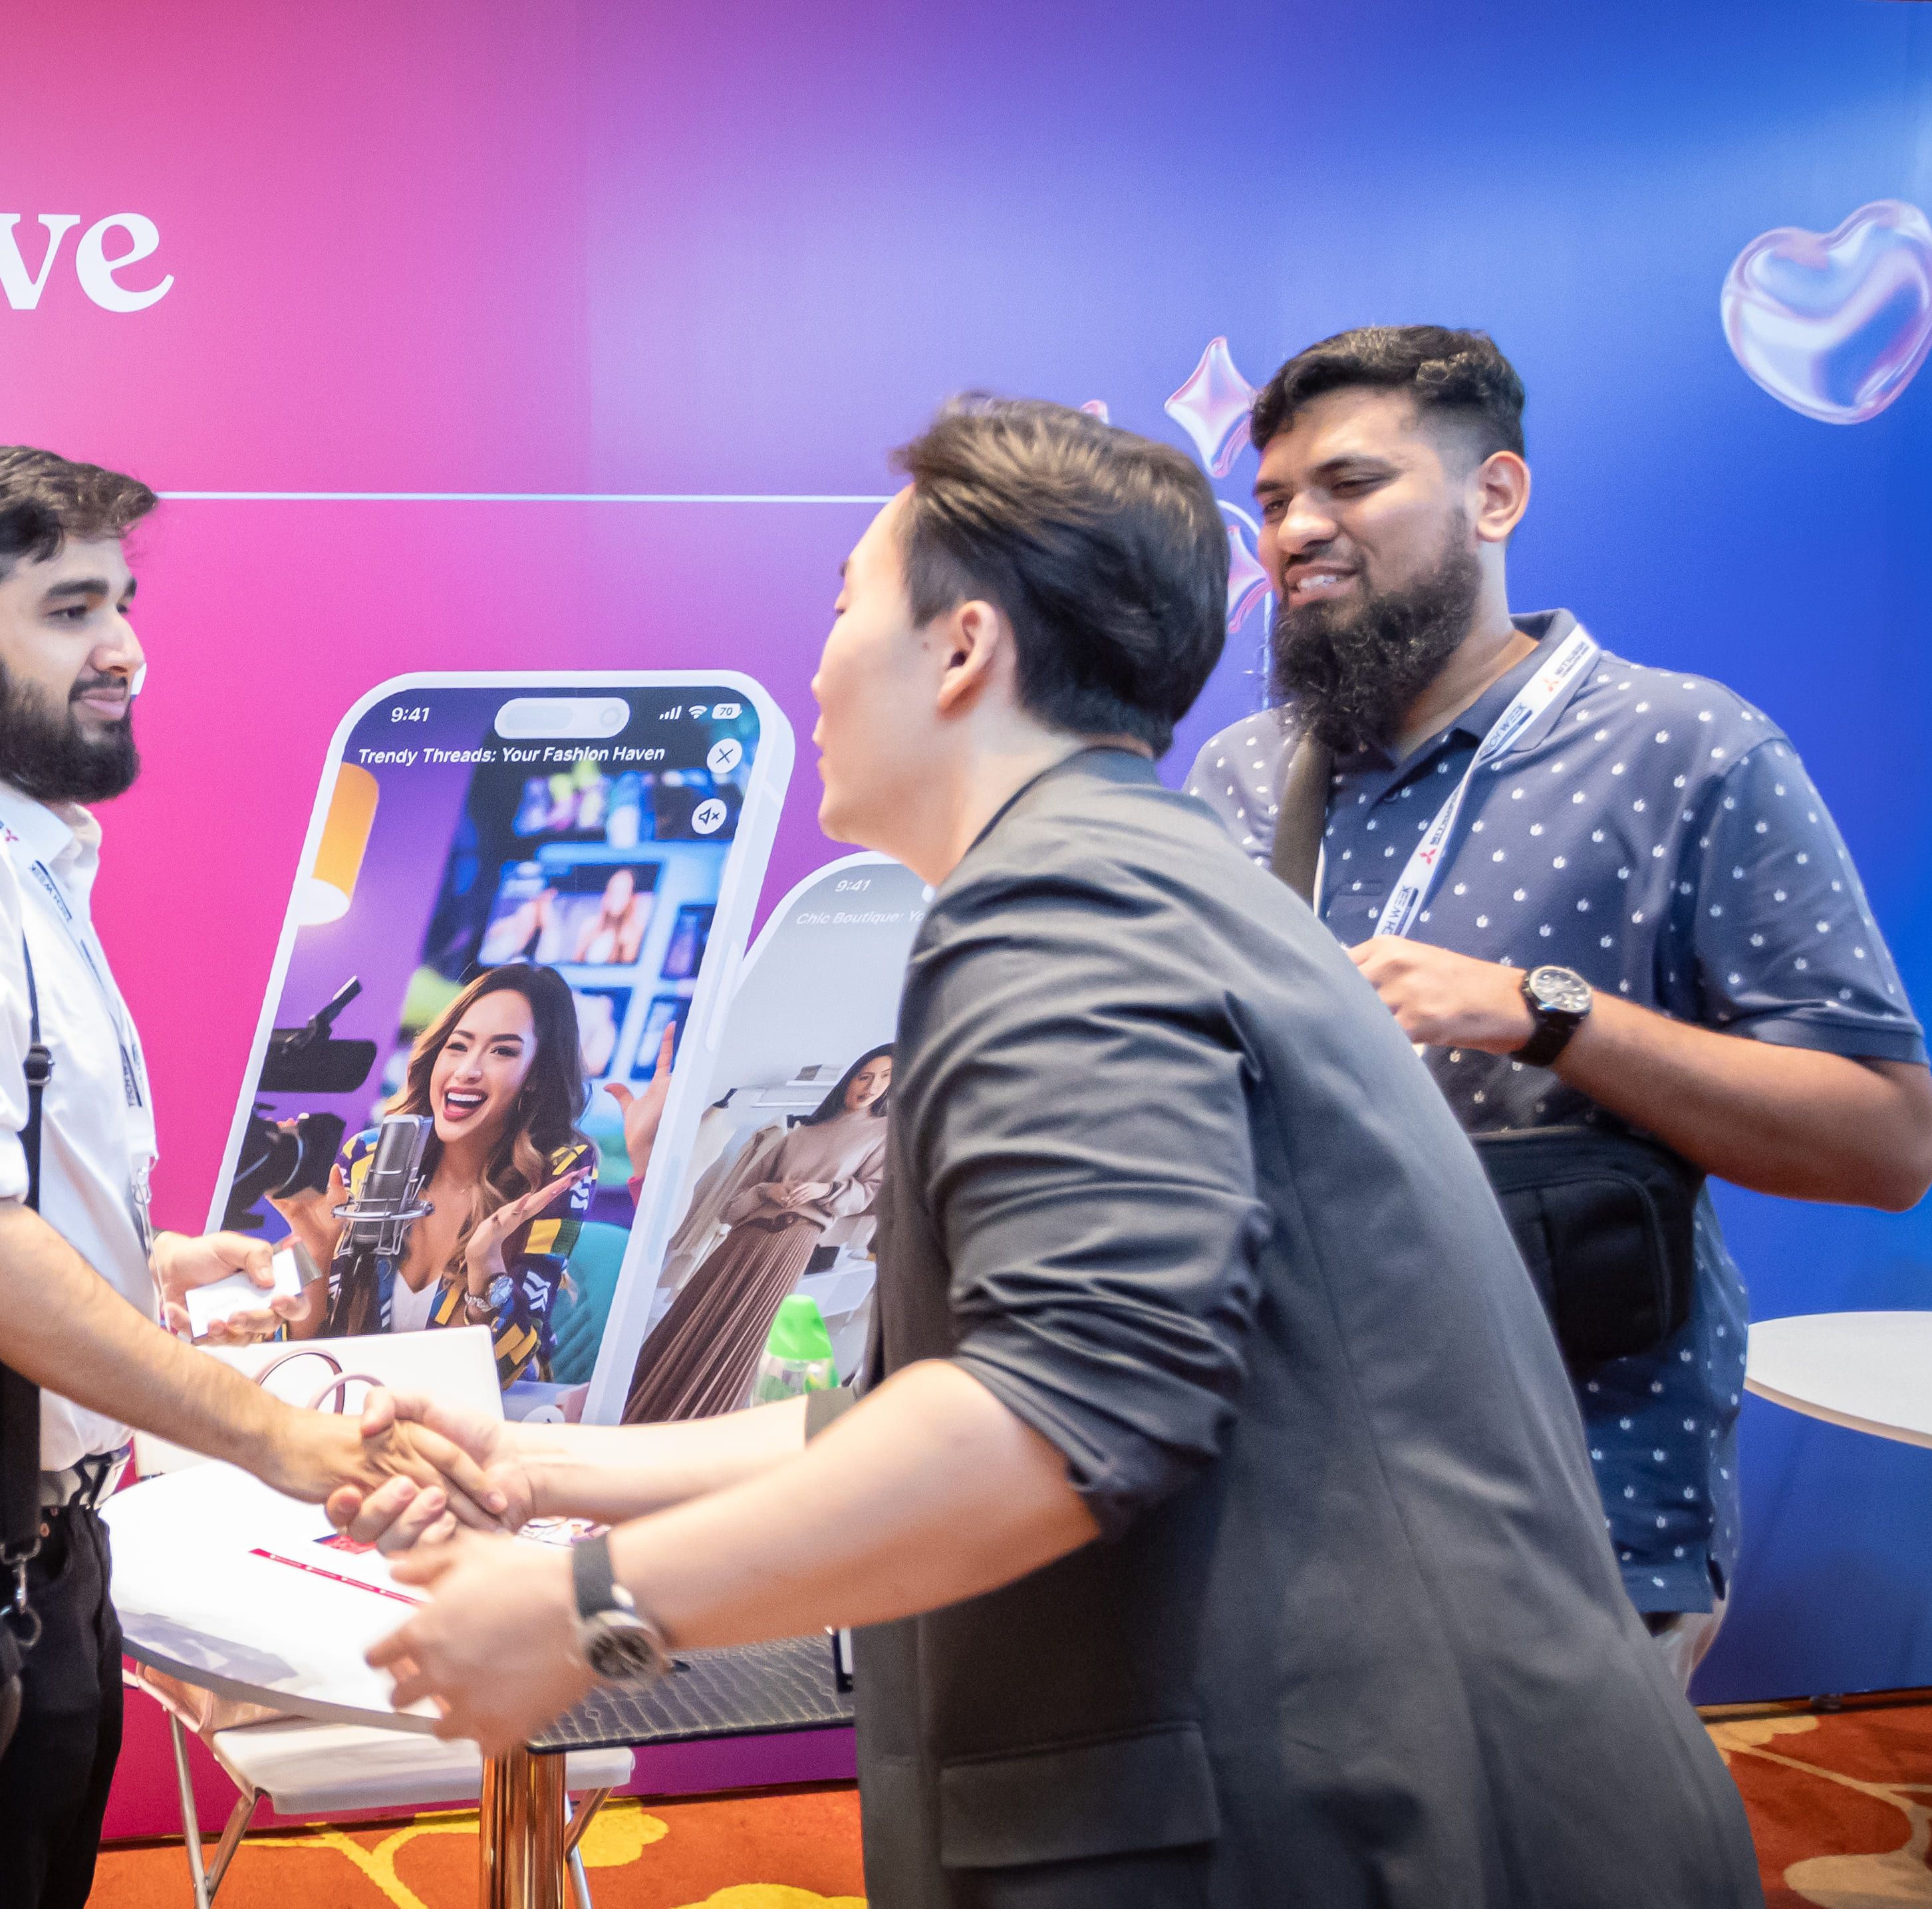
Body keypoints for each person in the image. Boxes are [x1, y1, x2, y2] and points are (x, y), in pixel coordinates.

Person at [331, 397, 1762, 1906]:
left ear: (959, 649)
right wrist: (539, 1467)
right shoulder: (1133, 870)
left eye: (841, 611)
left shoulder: (1061, 912)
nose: (814, 667)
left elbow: (1057, 1413)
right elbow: (954, 1397)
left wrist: (588, 1607)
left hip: (1378, 1831)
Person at [0, 443, 491, 1909]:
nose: (124, 651)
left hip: (22, 1553)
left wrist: (132, 1261)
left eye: (121, 604)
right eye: (70, 610)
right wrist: (269, 1434)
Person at [1181, 327, 1932, 1686]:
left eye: (1350, 483)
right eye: (1276, 498)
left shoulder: (1687, 751)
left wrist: (1541, 1012)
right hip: (1280, 1503)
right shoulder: (1241, 776)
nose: (1295, 530)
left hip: (1575, 1518)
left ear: (1495, 495)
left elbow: (1884, 1142)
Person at [271, 964, 597, 1388]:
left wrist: (485, 1269)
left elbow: (499, 1372)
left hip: (480, 1417)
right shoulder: (369, 1157)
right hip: (358, 1408)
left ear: (536, 1077)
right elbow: (300, 1351)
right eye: (458, 1046)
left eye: (502, 1052)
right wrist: (317, 1247)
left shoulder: (553, 1174)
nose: (467, 1070)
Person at [623, 1044, 891, 1420]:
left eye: (885, 1078)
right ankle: (639, 1406)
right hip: (744, 1236)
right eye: (865, 1076)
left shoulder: (883, 1134)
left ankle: (695, 1421)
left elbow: (873, 1194)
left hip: (793, 1241)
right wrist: (769, 1191)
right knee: (695, 1316)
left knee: (743, 1332)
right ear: (850, 1079)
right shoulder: (800, 1133)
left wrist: (824, 1190)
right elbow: (733, 1204)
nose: (872, 1086)